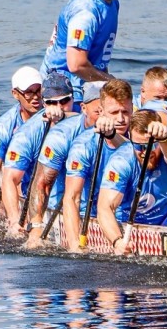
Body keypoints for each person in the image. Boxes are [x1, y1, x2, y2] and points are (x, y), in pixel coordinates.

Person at [39, 0, 131, 108]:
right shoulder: (86, 13)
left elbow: (100, 53)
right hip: (62, 87)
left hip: (87, 79)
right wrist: (110, 81)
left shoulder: (112, 3)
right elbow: (76, 64)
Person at [23, 80, 106, 248]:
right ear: (84, 108)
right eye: (99, 112)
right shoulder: (62, 135)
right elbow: (42, 185)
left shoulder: (121, 123)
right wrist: (36, 226)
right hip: (63, 204)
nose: (106, 118)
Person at [61, 79, 134, 252]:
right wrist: (74, 246)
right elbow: (72, 197)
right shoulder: (83, 146)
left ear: (133, 109)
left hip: (129, 215)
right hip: (91, 217)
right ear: (101, 111)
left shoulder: (140, 137)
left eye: (126, 111)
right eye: (114, 112)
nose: (121, 119)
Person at [97, 109, 167, 255]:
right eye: (139, 146)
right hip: (129, 226)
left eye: (152, 145)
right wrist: (117, 241)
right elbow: (104, 208)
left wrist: (165, 138)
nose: (146, 152)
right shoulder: (121, 161)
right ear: (130, 138)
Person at [0, 71, 75, 236]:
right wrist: (14, 220)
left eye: (64, 101)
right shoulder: (27, 134)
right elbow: (10, 179)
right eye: (51, 103)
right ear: (44, 103)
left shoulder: (83, 121)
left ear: (73, 99)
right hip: (43, 201)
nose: (59, 107)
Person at [0, 66, 44, 225]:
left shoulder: (54, 111)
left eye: (39, 90)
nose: (35, 97)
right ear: (15, 94)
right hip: (17, 176)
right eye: (28, 92)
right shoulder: (3, 127)